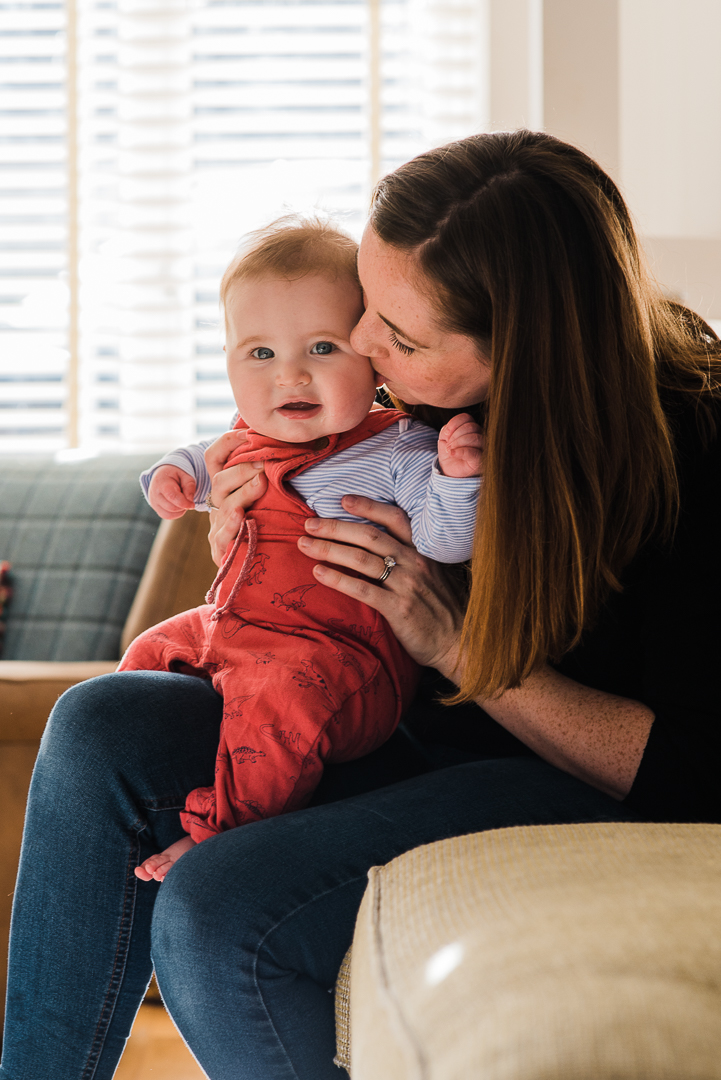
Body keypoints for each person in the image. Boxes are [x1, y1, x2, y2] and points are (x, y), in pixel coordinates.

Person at [2, 129, 720, 1080]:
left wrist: (458, 647)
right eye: (367, 307)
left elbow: (692, 768)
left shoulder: (691, 455)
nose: (365, 347)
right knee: (103, 721)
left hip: (559, 766)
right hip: (386, 710)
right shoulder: (412, 405)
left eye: (402, 337)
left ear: (525, 351)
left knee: (220, 904)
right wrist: (247, 540)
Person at [120, 216, 482, 882]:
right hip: (237, 630)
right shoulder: (244, 437)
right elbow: (199, 461)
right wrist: (173, 478)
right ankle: (145, 815)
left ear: (372, 356)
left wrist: (458, 480)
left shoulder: (395, 447)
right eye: (259, 355)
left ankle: (225, 836)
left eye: (320, 348)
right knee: (142, 663)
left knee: (277, 695)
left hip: (340, 661)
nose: (289, 376)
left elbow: (443, 541)